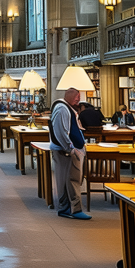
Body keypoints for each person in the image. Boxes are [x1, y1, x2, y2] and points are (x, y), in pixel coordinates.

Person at [48, 87, 90, 220]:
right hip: (66, 151)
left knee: (71, 180)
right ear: (70, 96)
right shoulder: (62, 109)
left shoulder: (68, 108)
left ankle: (67, 208)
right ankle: (72, 209)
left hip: (71, 150)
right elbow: (61, 131)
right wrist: (70, 149)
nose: (79, 99)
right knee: (70, 180)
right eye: (77, 97)